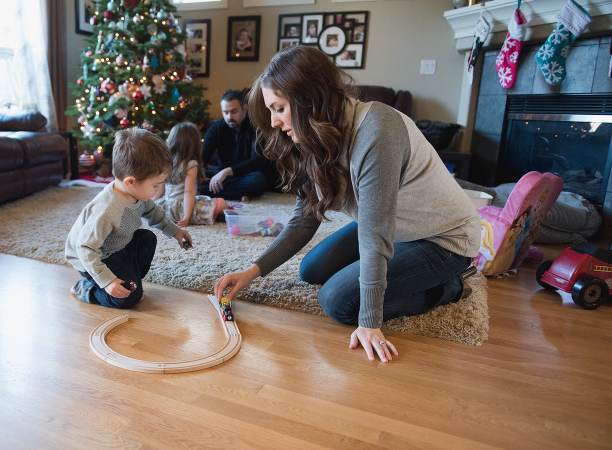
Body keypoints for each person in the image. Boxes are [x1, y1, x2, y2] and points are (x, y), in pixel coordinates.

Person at [213, 46, 480, 363]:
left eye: (279, 108)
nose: (273, 121)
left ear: (308, 100)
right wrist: (251, 272)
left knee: (339, 301)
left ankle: (448, 286)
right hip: (394, 226)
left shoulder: (377, 129)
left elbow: (374, 236)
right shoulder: (312, 134)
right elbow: (303, 220)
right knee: (311, 270)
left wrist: (370, 322)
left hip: (443, 238)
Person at [65, 127, 192, 309]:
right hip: (93, 257)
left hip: (115, 246)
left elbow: (153, 212)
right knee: (128, 299)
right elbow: (85, 248)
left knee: (147, 239)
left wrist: (175, 231)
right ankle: (86, 289)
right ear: (130, 182)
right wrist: (107, 281)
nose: (158, 191)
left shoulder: (136, 193)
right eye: (155, 186)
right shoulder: (107, 211)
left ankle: (128, 281)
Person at [200, 89, 277, 202]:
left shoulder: (256, 128)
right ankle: (239, 193)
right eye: (225, 112)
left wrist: (227, 171)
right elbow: (202, 158)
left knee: (258, 181)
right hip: (223, 178)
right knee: (196, 177)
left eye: (234, 111)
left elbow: (257, 161)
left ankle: (210, 191)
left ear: (244, 108)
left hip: (247, 176)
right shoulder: (216, 129)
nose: (229, 117)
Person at [155, 121, 228, 226]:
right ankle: (202, 216)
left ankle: (207, 215)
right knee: (222, 204)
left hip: (167, 209)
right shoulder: (191, 164)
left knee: (200, 198)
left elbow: (160, 190)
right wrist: (187, 217)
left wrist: (151, 207)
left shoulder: (166, 162)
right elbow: (189, 192)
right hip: (183, 209)